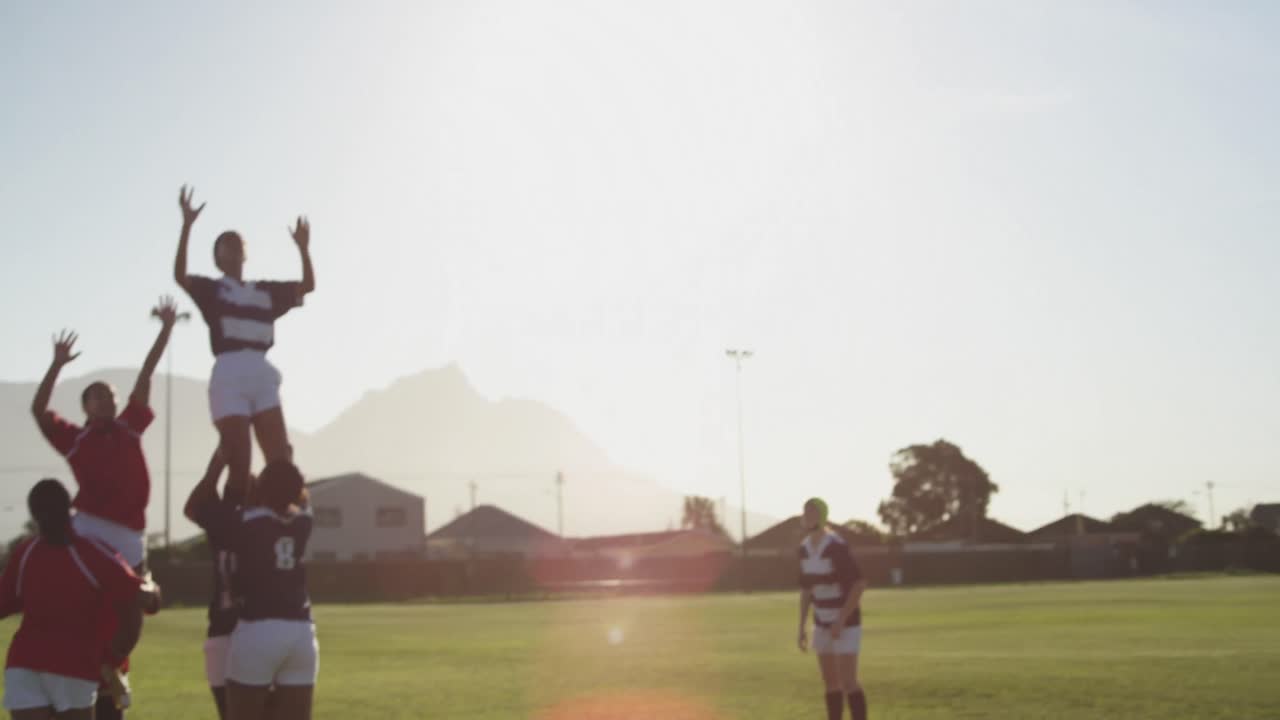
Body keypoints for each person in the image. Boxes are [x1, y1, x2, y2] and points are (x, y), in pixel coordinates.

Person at [31, 300, 177, 710]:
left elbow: (147, 375)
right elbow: (39, 410)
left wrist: (165, 330)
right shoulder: (74, 439)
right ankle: (81, 671)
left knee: (140, 609)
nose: (106, 401)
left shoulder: (131, 425)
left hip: (132, 534)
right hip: (91, 529)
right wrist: (57, 364)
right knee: (89, 607)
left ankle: (110, 666)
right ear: (85, 407)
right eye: (96, 397)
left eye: (110, 396)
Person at [173, 185, 316, 511]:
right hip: (229, 372)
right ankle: (234, 522)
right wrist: (187, 226)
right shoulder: (212, 290)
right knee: (239, 458)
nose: (233, 246)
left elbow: (308, 286)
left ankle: (281, 517)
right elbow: (180, 276)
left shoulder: (264, 291)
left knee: (279, 459)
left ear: (245, 253)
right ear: (218, 256)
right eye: (225, 243)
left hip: (262, 372)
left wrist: (304, 249)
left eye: (238, 242)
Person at [0, 479, 159, 720]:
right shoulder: (91, 553)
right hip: (74, 665)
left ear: (34, 515)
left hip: (25, 663)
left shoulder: (26, 552)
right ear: (69, 509)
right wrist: (152, 591)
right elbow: (141, 599)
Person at [193, 460, 317, 720]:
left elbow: (199, 509)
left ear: (261, 489)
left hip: (258, 627)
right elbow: (297, 495)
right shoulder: (304, 520)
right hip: (302, 630)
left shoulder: (244, 522)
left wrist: (221, 461)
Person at [184, 448, 247, 720]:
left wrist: (217, 464)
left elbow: (191, 507)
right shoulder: (262, 518)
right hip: (252, 626)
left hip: (227, 626)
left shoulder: (222, 518)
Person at [797, 498, 868, 720]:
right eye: (806, 512)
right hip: (821, 623)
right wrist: (801, 627)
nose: (808, 516)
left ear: (822, 515)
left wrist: (840, 621)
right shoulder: (804, 549)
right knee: (830, 682)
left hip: (846, 623)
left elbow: (859, 584)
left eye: (813, 512)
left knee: (848, 681)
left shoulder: (836, 546)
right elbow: (806, 590)